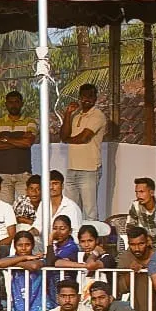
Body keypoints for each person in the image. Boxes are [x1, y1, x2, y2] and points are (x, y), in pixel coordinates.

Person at [60, 83, 107, 219]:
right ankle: (75, 239)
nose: (87, 99)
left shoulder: (98, 115)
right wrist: (68, 114)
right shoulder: (75, 115)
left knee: (90, 212)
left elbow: (84, 138)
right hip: (72, 168)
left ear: (95, 98)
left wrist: (67, 139)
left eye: (91, 96)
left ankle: (92, 240)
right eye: (84, 96)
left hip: (89, 169)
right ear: (80, 97)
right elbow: (63, 135)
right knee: (72, 211)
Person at [0, 90, 37, 203]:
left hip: (23, 174)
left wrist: (6, 139)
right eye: (10, 102)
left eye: (16, 102)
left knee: (26, 208)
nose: (13, 105)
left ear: (21, 103)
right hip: (3, 174)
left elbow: (27, 143)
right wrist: (19, 141)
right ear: (6, 104)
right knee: (6, 211)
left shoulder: (30, 122)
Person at [117, 226, 156, 311]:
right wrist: (131, 273)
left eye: (141, 244)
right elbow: (120, 288)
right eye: (133, 244)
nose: (137, 248)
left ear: (148, 241)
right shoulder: (126, 257)